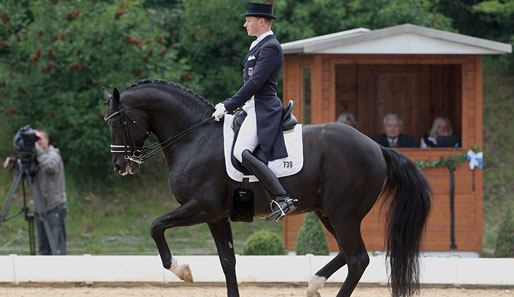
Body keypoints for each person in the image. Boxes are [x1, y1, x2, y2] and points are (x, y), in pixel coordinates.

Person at [212, 2, 295, 221]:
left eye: (248, 21)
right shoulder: (258, 45)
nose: (244, 24)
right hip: (251, 106)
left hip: (263, 107)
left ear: (261, 21)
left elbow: (256, 82)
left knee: (241, 151)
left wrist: (229, 104)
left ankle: (282, 197)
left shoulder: (270, 46)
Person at [3, 130, 68, 255]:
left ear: (47, 140)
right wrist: (13, 161)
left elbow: (50, 167)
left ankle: (60, 273)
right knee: (43, 251)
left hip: (54, 208)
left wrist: (39, 151)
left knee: (57, 250)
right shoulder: (35, 157)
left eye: (40, 140)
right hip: (40, 209)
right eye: (35, 141)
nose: (37, 143)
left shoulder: (53, 154)